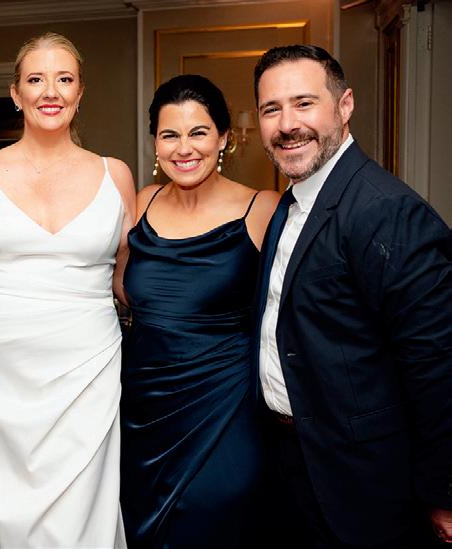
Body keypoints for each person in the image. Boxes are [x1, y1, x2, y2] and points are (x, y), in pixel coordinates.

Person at [253, 44, 452, 547]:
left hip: (363, 483)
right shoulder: (290, 204)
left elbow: (437, 362)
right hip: (293, 463)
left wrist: (444, 492)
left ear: (344, 106)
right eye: (271, 109)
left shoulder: (387, 210)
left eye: (304, 103)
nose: (287, 124)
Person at [0, 32, 136, 547]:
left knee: (82, 511)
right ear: (16, 93)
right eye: (36, 79)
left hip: (87, 368)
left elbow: (125, 278)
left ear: (80, 93)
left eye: (64, 79)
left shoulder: (116, 175)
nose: (50, 92)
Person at [120, 74, 279, 548]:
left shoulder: (263, 209)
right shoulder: (140, 203)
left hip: (224, 412)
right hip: (143, 416)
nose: (184, 148)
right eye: (170, 134)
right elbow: (118, 287)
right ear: (154, 142)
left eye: (199, 132)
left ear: (224, 137)